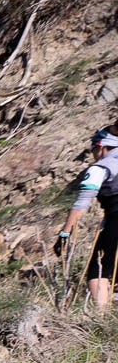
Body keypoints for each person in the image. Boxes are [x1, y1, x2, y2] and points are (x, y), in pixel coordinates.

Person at [55, 123, 118, 314]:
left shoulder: (101, 166)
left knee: (98, 271)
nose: (93, 154)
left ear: (100, 147)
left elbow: (82, 202)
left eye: (93, 150)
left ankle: (102, 319)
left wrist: (65, 232)